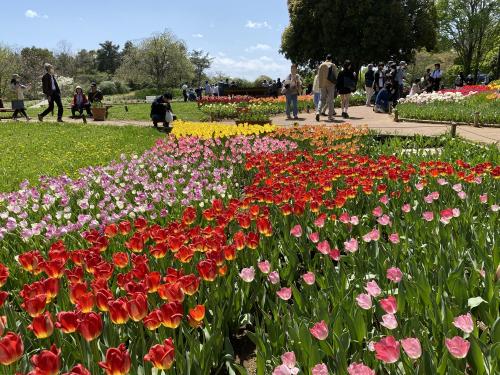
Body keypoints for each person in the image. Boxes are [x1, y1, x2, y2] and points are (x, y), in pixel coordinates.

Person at [316, 54, 337, 121]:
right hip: (330, 84)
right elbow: (335, 76)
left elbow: (318, 76)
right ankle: (330, 116)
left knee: (321, 100)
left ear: (326, 58)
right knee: (330, 100)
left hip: (322, 85)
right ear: (331, 59)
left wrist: (320, 85)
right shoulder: (333, 65)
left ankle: (318, 112)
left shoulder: (321, 65)